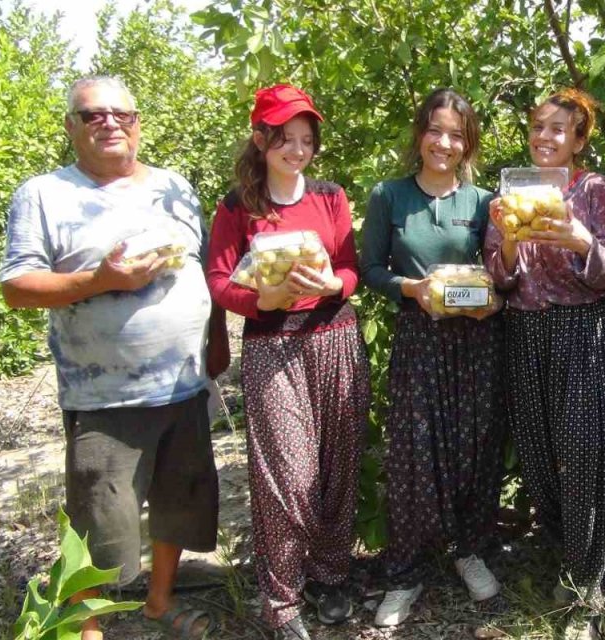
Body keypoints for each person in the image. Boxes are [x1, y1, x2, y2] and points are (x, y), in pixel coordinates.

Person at [0, 75, 228, 640]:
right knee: (100, 517)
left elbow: (197, 268)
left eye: (120, 114)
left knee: (179, 504)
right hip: (105, 394)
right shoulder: (45, 194)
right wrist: (100, 278)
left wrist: (216, 336)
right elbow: (17, 286)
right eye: (92, 115)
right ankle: (86, 627)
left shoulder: (174, 186)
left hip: (183, 383)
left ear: (138, 123)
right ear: (71, 127)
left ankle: (158, 602)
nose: (109, 123)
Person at [205, 84, 368, 639]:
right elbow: (220, 280)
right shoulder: (237, 206)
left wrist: (332, 284)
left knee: (336, 469)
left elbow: (350, 269)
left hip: (334, 337)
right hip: (272, 346)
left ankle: (330, 576)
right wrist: (261, 301)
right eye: (284, 139)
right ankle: (282, 597)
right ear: (260, 139)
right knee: (287, 477)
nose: (297, 150)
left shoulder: (330, 197)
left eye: (306, 140)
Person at [482, 88, 605, 640]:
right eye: (538, 126)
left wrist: (578, 237)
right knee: (540, 454)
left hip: (583, 330)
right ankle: (571, 557)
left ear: (579, 139)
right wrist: (513, 242)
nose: (545, 137)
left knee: (588, 456)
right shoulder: (513, 191)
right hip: (525, 330)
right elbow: (498, 275)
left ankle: (597, 585)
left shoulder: (593, 190)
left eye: (559, 129)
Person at [359, 88, 504, 628]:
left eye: (456, 134)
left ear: (468, 143)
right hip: (419, 340)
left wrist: (494, 301)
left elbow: (502, 273)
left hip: (476, 342)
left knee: (474, 449)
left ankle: (470, 552)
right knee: (414, 457)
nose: (444, 142)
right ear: (420, 133)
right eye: (435, 130)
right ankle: (405, 573)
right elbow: (369, 268)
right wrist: (410, 289)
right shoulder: (389, 197)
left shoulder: (486, 202)